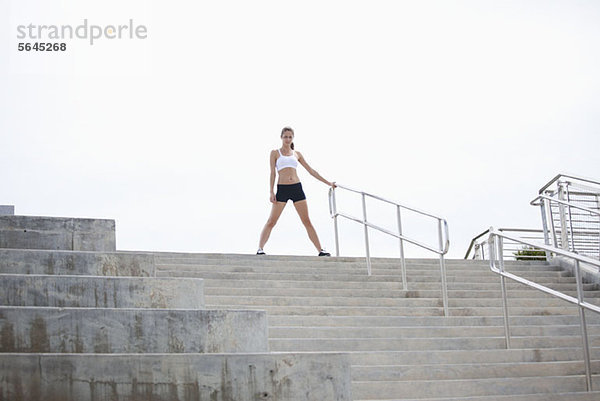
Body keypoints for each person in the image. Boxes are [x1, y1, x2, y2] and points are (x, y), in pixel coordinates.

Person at [257, 126, 336, 256]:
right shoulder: (275, 153)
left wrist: (328, 183)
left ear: (292, 138)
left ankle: (320, 250)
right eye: (285, 136)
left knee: (307, 221)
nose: (287, 139)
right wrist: (271, 192)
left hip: (296, 188)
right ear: (281, 137)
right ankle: (260, 248)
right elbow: (272, 173)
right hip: (282, 189)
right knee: (271, 221)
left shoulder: (297, 154)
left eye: (290, 137)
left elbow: (311, 171)